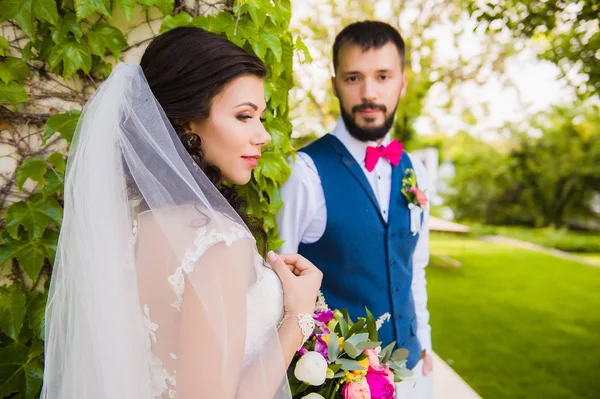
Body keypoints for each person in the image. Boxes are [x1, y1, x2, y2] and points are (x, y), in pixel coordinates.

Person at [41, 27, 322, 399]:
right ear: (184, 123)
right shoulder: (218, 242)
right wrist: (298, 318)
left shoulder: (128, 225)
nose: (263, 135)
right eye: (244, 116)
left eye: (261, 117)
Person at [277, 21, 433, 398]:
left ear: (402, 82)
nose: (369, 93)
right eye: (353, 78)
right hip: (341, 383)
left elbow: (415, 268)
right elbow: (280, 281)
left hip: (413, 372)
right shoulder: (306, 171)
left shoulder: (415, 169)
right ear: (335, 85)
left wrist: (425, 342)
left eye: (382, 76)